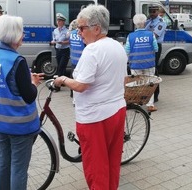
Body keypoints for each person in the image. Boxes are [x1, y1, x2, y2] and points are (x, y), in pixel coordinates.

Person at [54, 4, 127, 190]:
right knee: (112, 162)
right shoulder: (117, 47)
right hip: (117, 111)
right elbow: (124, 79)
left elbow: (81, 85)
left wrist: (63, 79)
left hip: (95, 117)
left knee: (96, 167)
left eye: (81, 27)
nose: (78, 32)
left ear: (96, 28)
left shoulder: (92, 50)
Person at [0, 15, 44, 190]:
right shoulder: (17, 61)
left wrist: (25, 80)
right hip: (19, 124)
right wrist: (33, 83)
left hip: (0, 122)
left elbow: (7, 84)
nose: (23, 35)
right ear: (14, 35)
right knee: (19, 168)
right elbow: (28, 96)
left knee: (4, 162)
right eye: (21, 32)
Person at [125, 14, 159, 112]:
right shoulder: (150, 34)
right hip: (149, 64)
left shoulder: (130, 36)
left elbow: (127, 51)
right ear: (144, 23)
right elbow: (156, 49)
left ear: (135, 24)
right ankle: (150, 105)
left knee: (137, 85)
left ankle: (137, 105)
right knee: (150, 84)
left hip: (135, 65)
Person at [145, 5, 167, 103]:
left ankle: (155, 95)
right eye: (150, 11)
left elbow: (154, 35)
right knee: (146, 70)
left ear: (158, 12)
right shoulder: (148, 20)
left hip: (155, 47)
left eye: (154, 12)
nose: (152, 13)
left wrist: (143, 35)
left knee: (154, 71)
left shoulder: (161, 22)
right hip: (147, 46)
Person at [50, 13, 70, 91]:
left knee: (60, 68)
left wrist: (62, 42)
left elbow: (69, 41)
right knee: (61, 67)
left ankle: (57, 87)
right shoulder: (55, 31)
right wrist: (53, 42)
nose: (58, 22)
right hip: (58, 50)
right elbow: (54, 39)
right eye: (57, 20)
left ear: (63, 22)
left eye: (60, 20)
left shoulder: (67, 31)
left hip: (65, 51)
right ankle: (62, 82)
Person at [68, 19, 85, 98]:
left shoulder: (72, 34)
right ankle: (77, 95)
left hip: (73, 60)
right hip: (81, 61)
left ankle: (72, 93)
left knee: (73, 77)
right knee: (80, 79)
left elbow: (70, 45)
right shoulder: (82, 34)